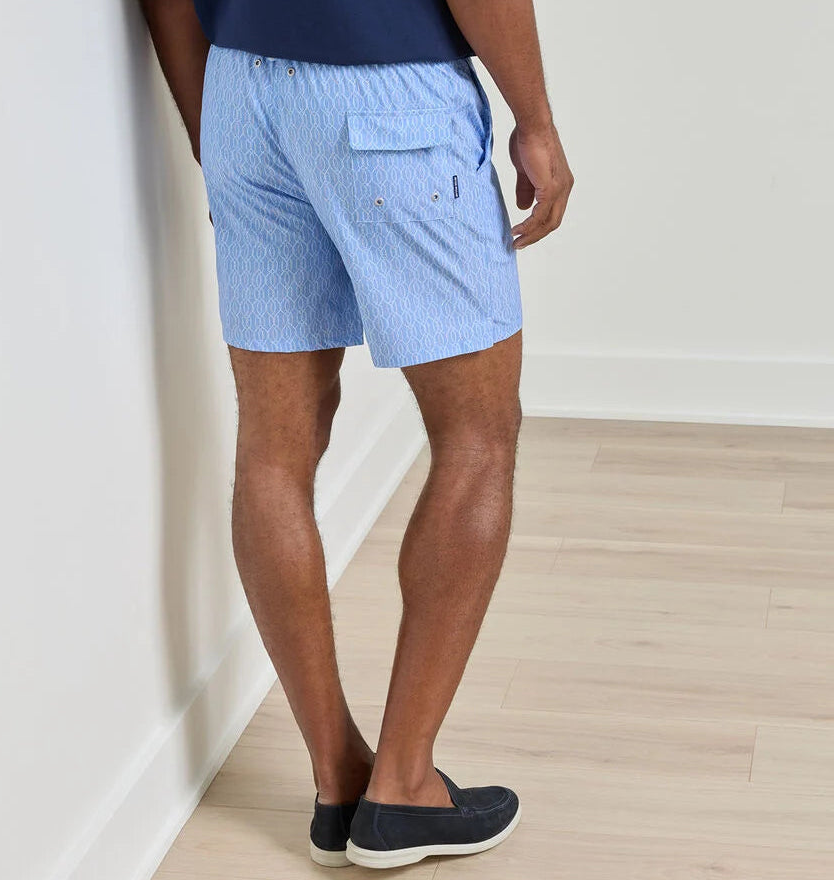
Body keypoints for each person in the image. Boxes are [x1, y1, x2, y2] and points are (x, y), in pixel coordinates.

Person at [140, 0, 573, 869]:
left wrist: (213, 123)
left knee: (273, 448)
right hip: (386, 91)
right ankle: (404, 788)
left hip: (236, 88)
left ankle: (339, 776)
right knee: (477, 434)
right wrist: (536, 118)